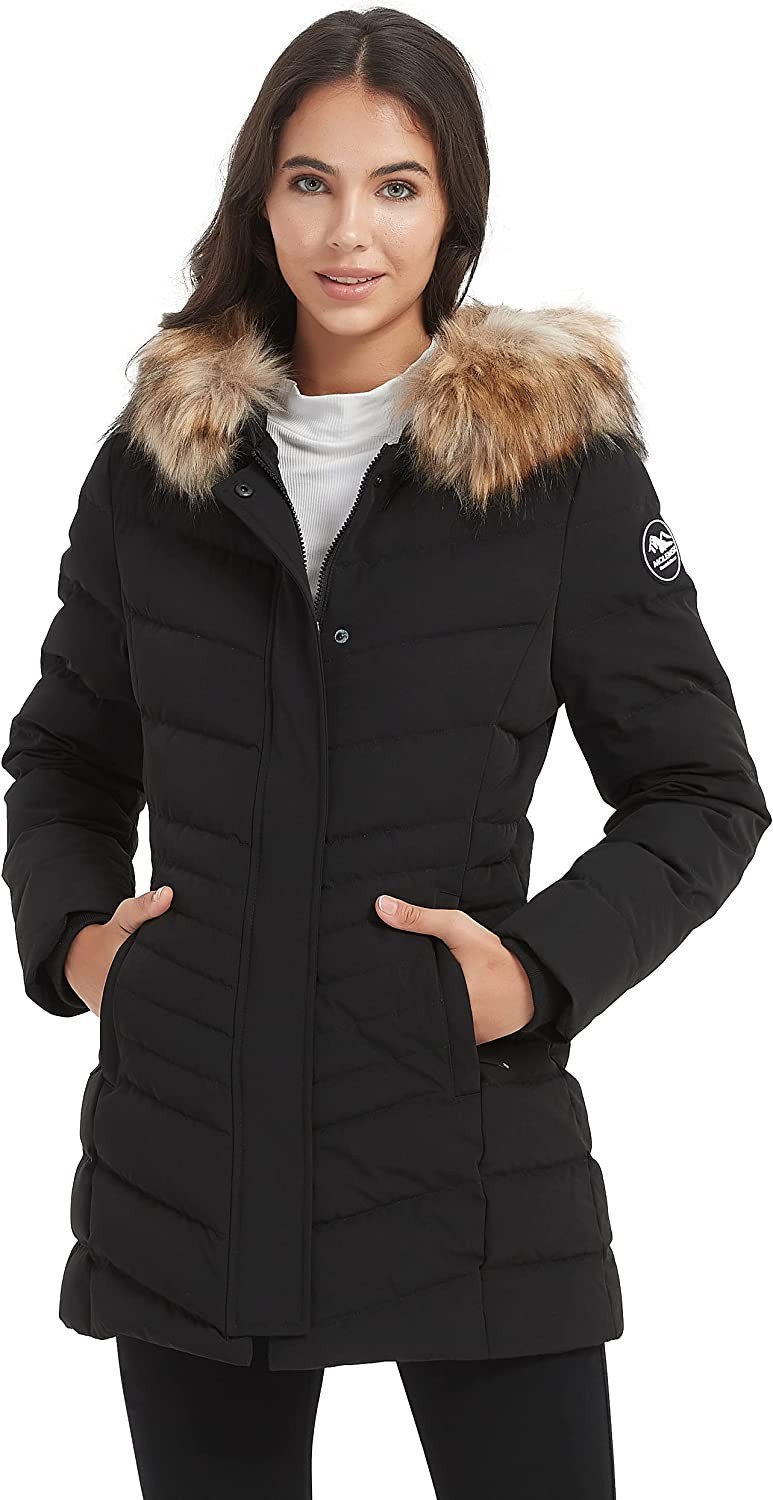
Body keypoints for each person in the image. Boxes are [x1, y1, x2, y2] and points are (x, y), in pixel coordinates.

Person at [2, 9, 769, 1499]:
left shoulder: (558, 468)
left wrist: (534, 972)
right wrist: (83, 944)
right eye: (311, 182)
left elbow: (700, 791)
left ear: (452, 203)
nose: (349, 231)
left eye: (395, 185)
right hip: (193, 1161)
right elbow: (65, 756)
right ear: (261, 198)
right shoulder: (155, 466)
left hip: (468, 1150)